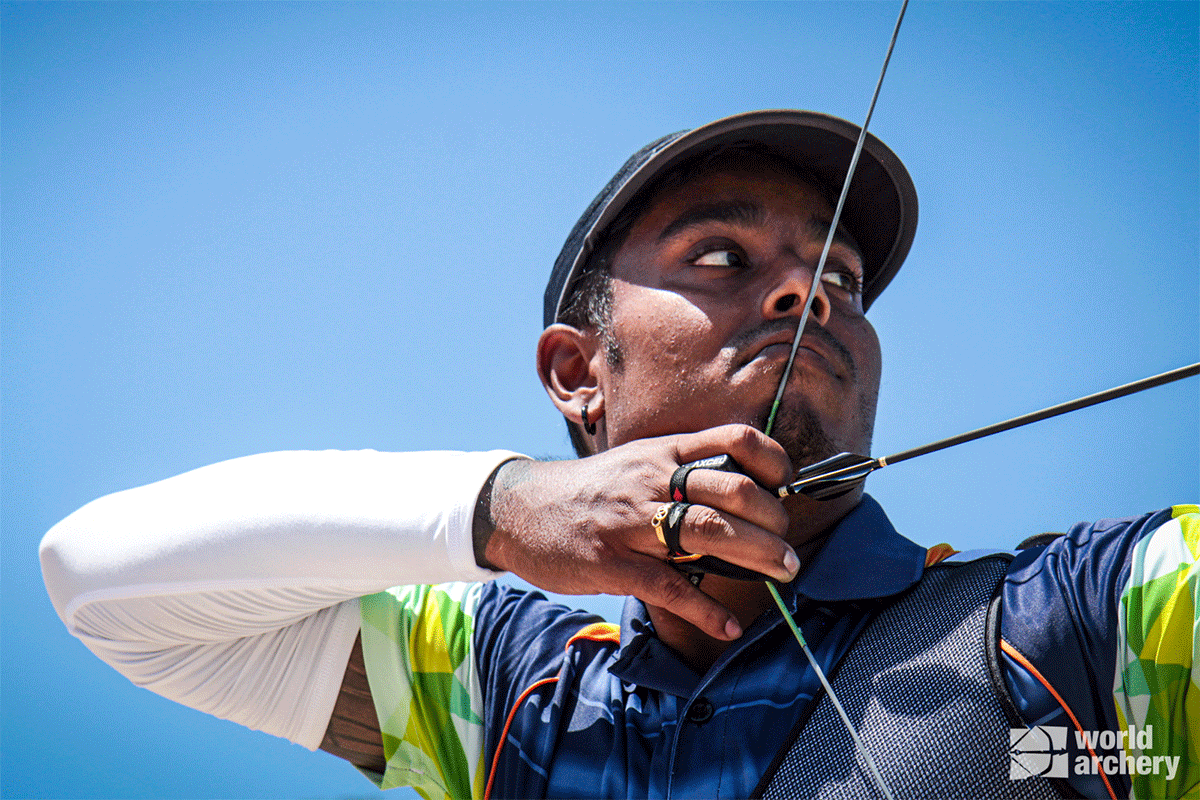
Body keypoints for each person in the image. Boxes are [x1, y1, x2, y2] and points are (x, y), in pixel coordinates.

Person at [40, 110, 1196, 800]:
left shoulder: (1070, 640)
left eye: (837, 277)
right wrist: (505, 510)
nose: (808, 291)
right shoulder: (502, 689)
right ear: (575, 374)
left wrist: (1039, 750)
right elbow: (96, 579)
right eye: (719, 254)